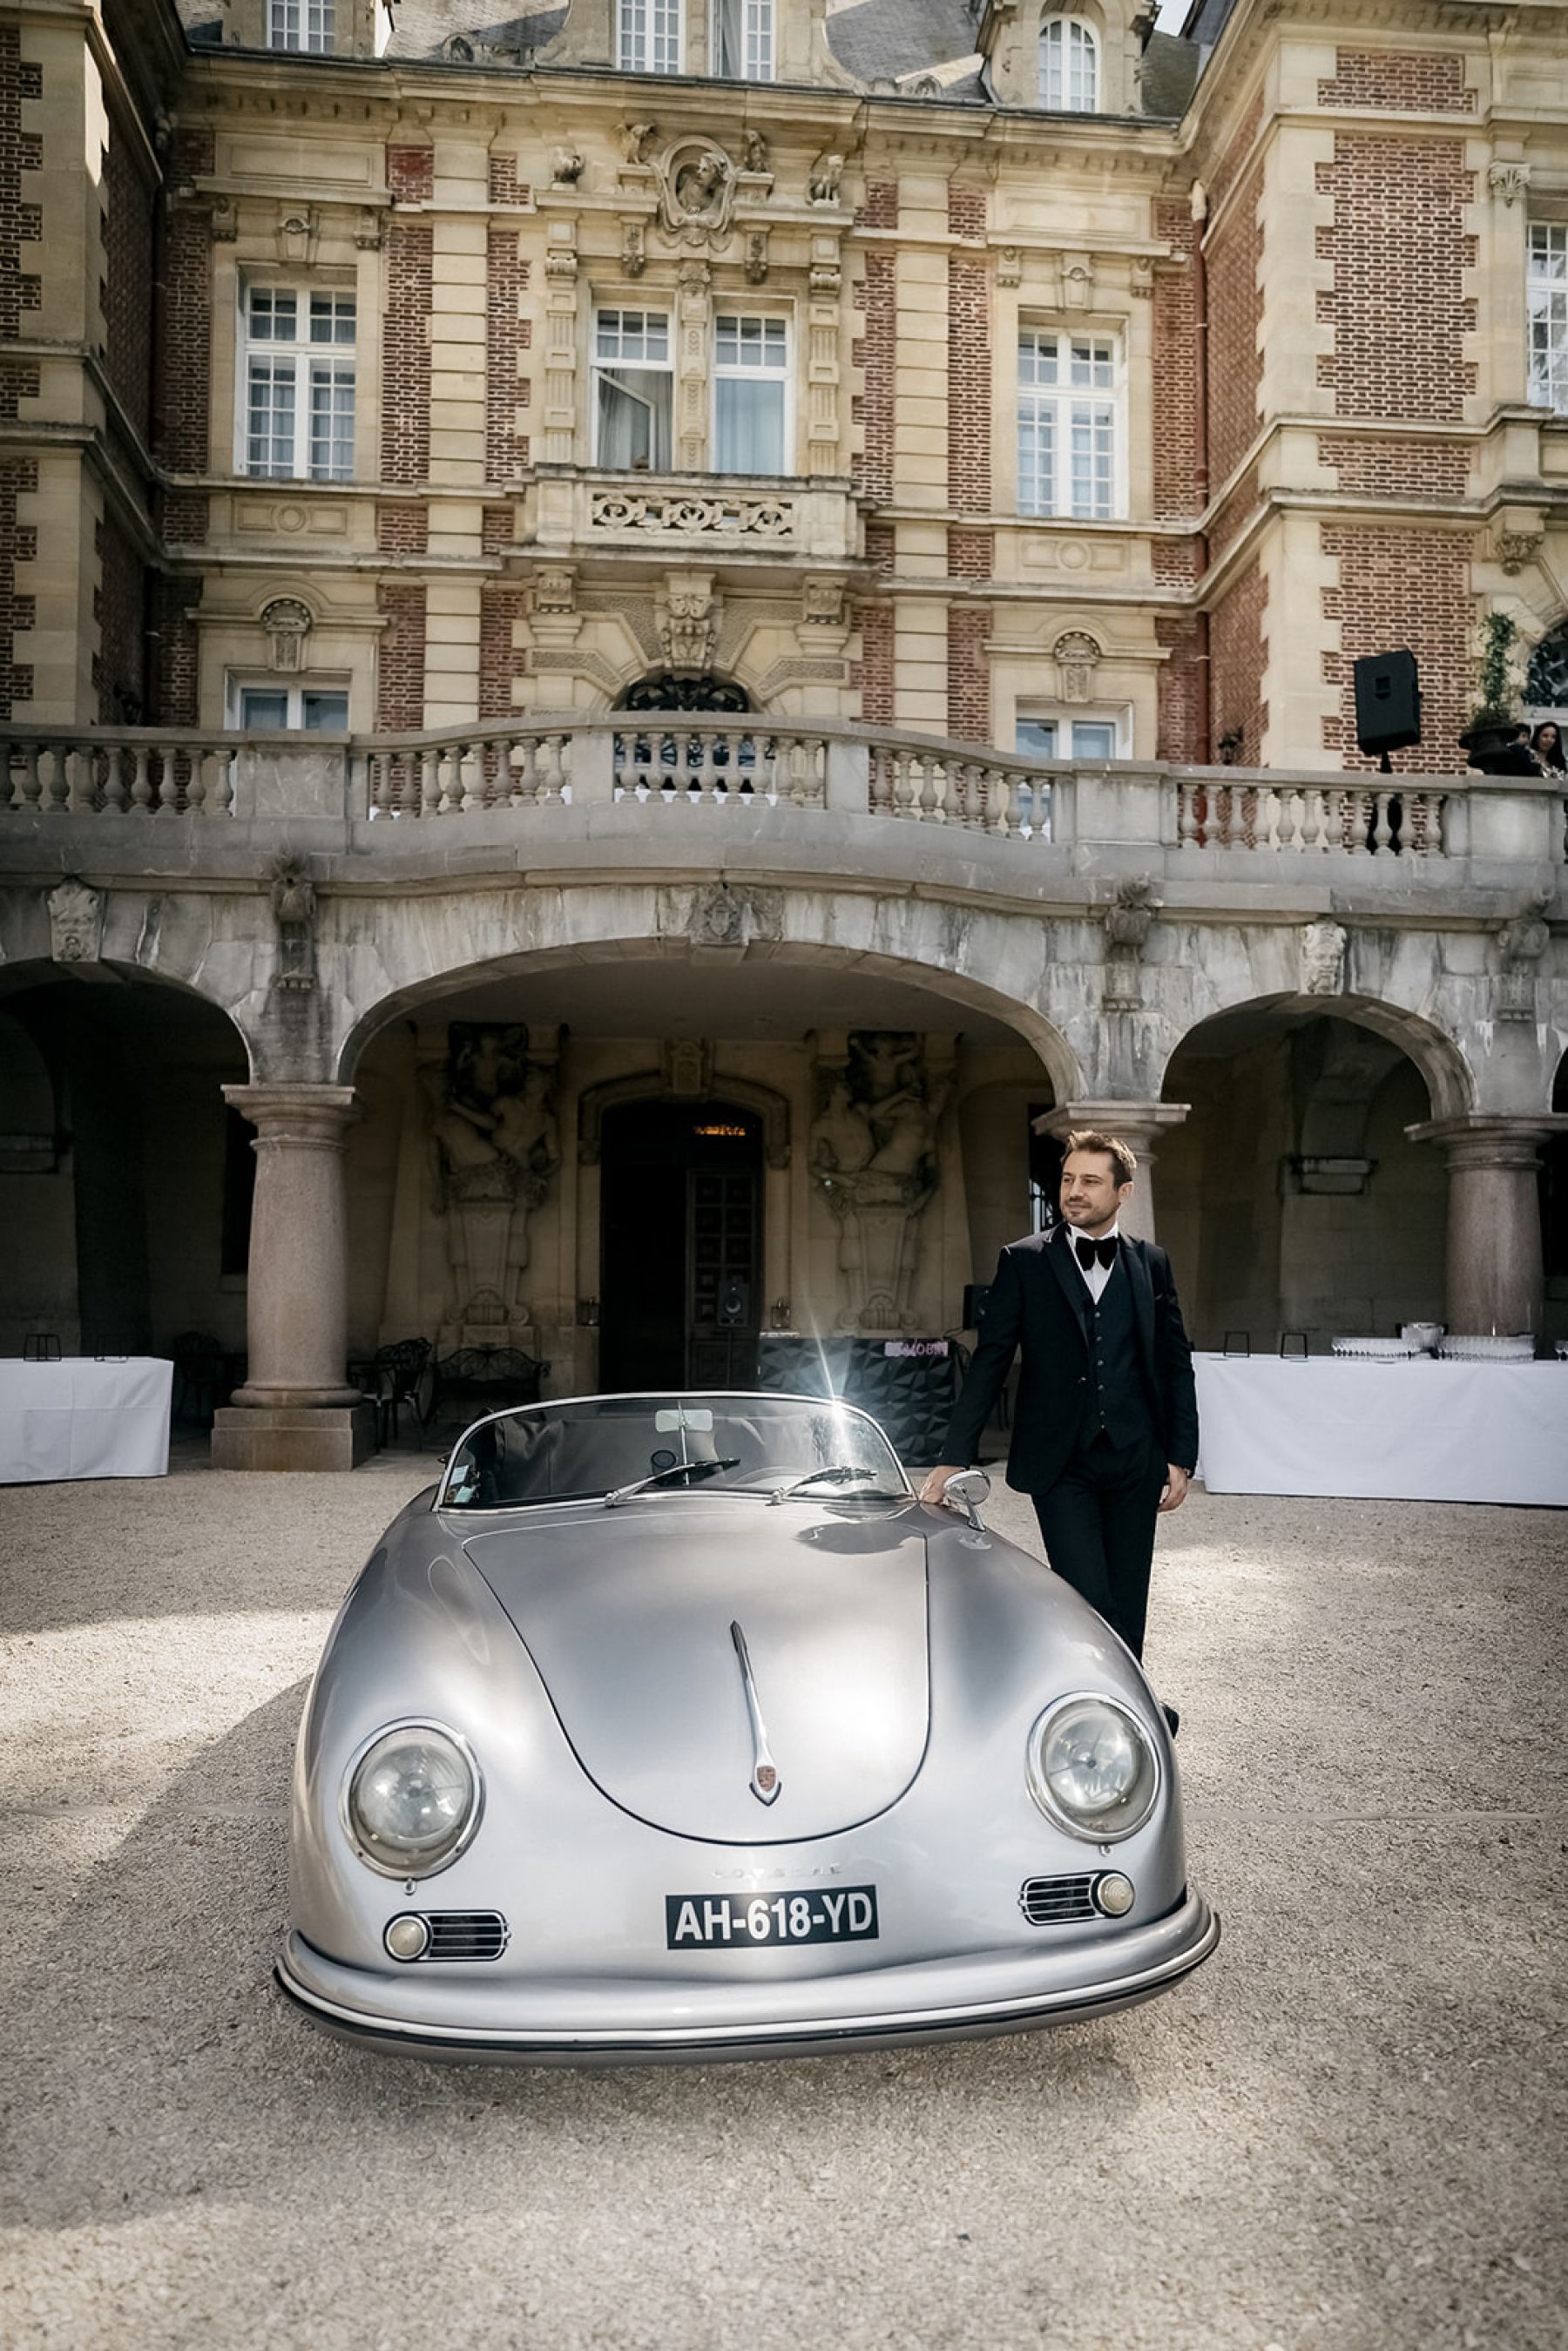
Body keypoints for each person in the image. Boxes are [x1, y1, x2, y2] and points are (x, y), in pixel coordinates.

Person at [920, 1129, 1199, 1727]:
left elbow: (1176, 1363)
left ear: (1123, 1191)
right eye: (1068, 1179)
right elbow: (991, 1359)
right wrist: (952, 1456)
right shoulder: (1024, 1260)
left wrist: (1181, 1456)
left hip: (1134, 1456)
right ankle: (1135, 1703)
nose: (1074, 1191)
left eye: (1090, 1181)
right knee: (1085, 1594)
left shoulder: (1152, 1264)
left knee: (1129, 1596)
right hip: (1060, 1460)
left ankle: (1121, 1709)